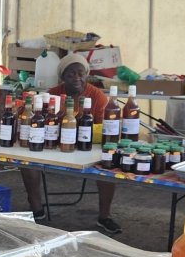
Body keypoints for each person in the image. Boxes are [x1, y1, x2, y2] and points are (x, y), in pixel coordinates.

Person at [19, 53, 122, 234]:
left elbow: (103, 127)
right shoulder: (53, 94)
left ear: (86, 75)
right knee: (27, 162)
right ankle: (37, 209)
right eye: (71, 74)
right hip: (56, 146)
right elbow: (40, 120)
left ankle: (105, 216)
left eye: (80, 74)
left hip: (87, 147)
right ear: (63, 78)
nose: (76, 78)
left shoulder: (97, 96)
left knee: (107, 167)